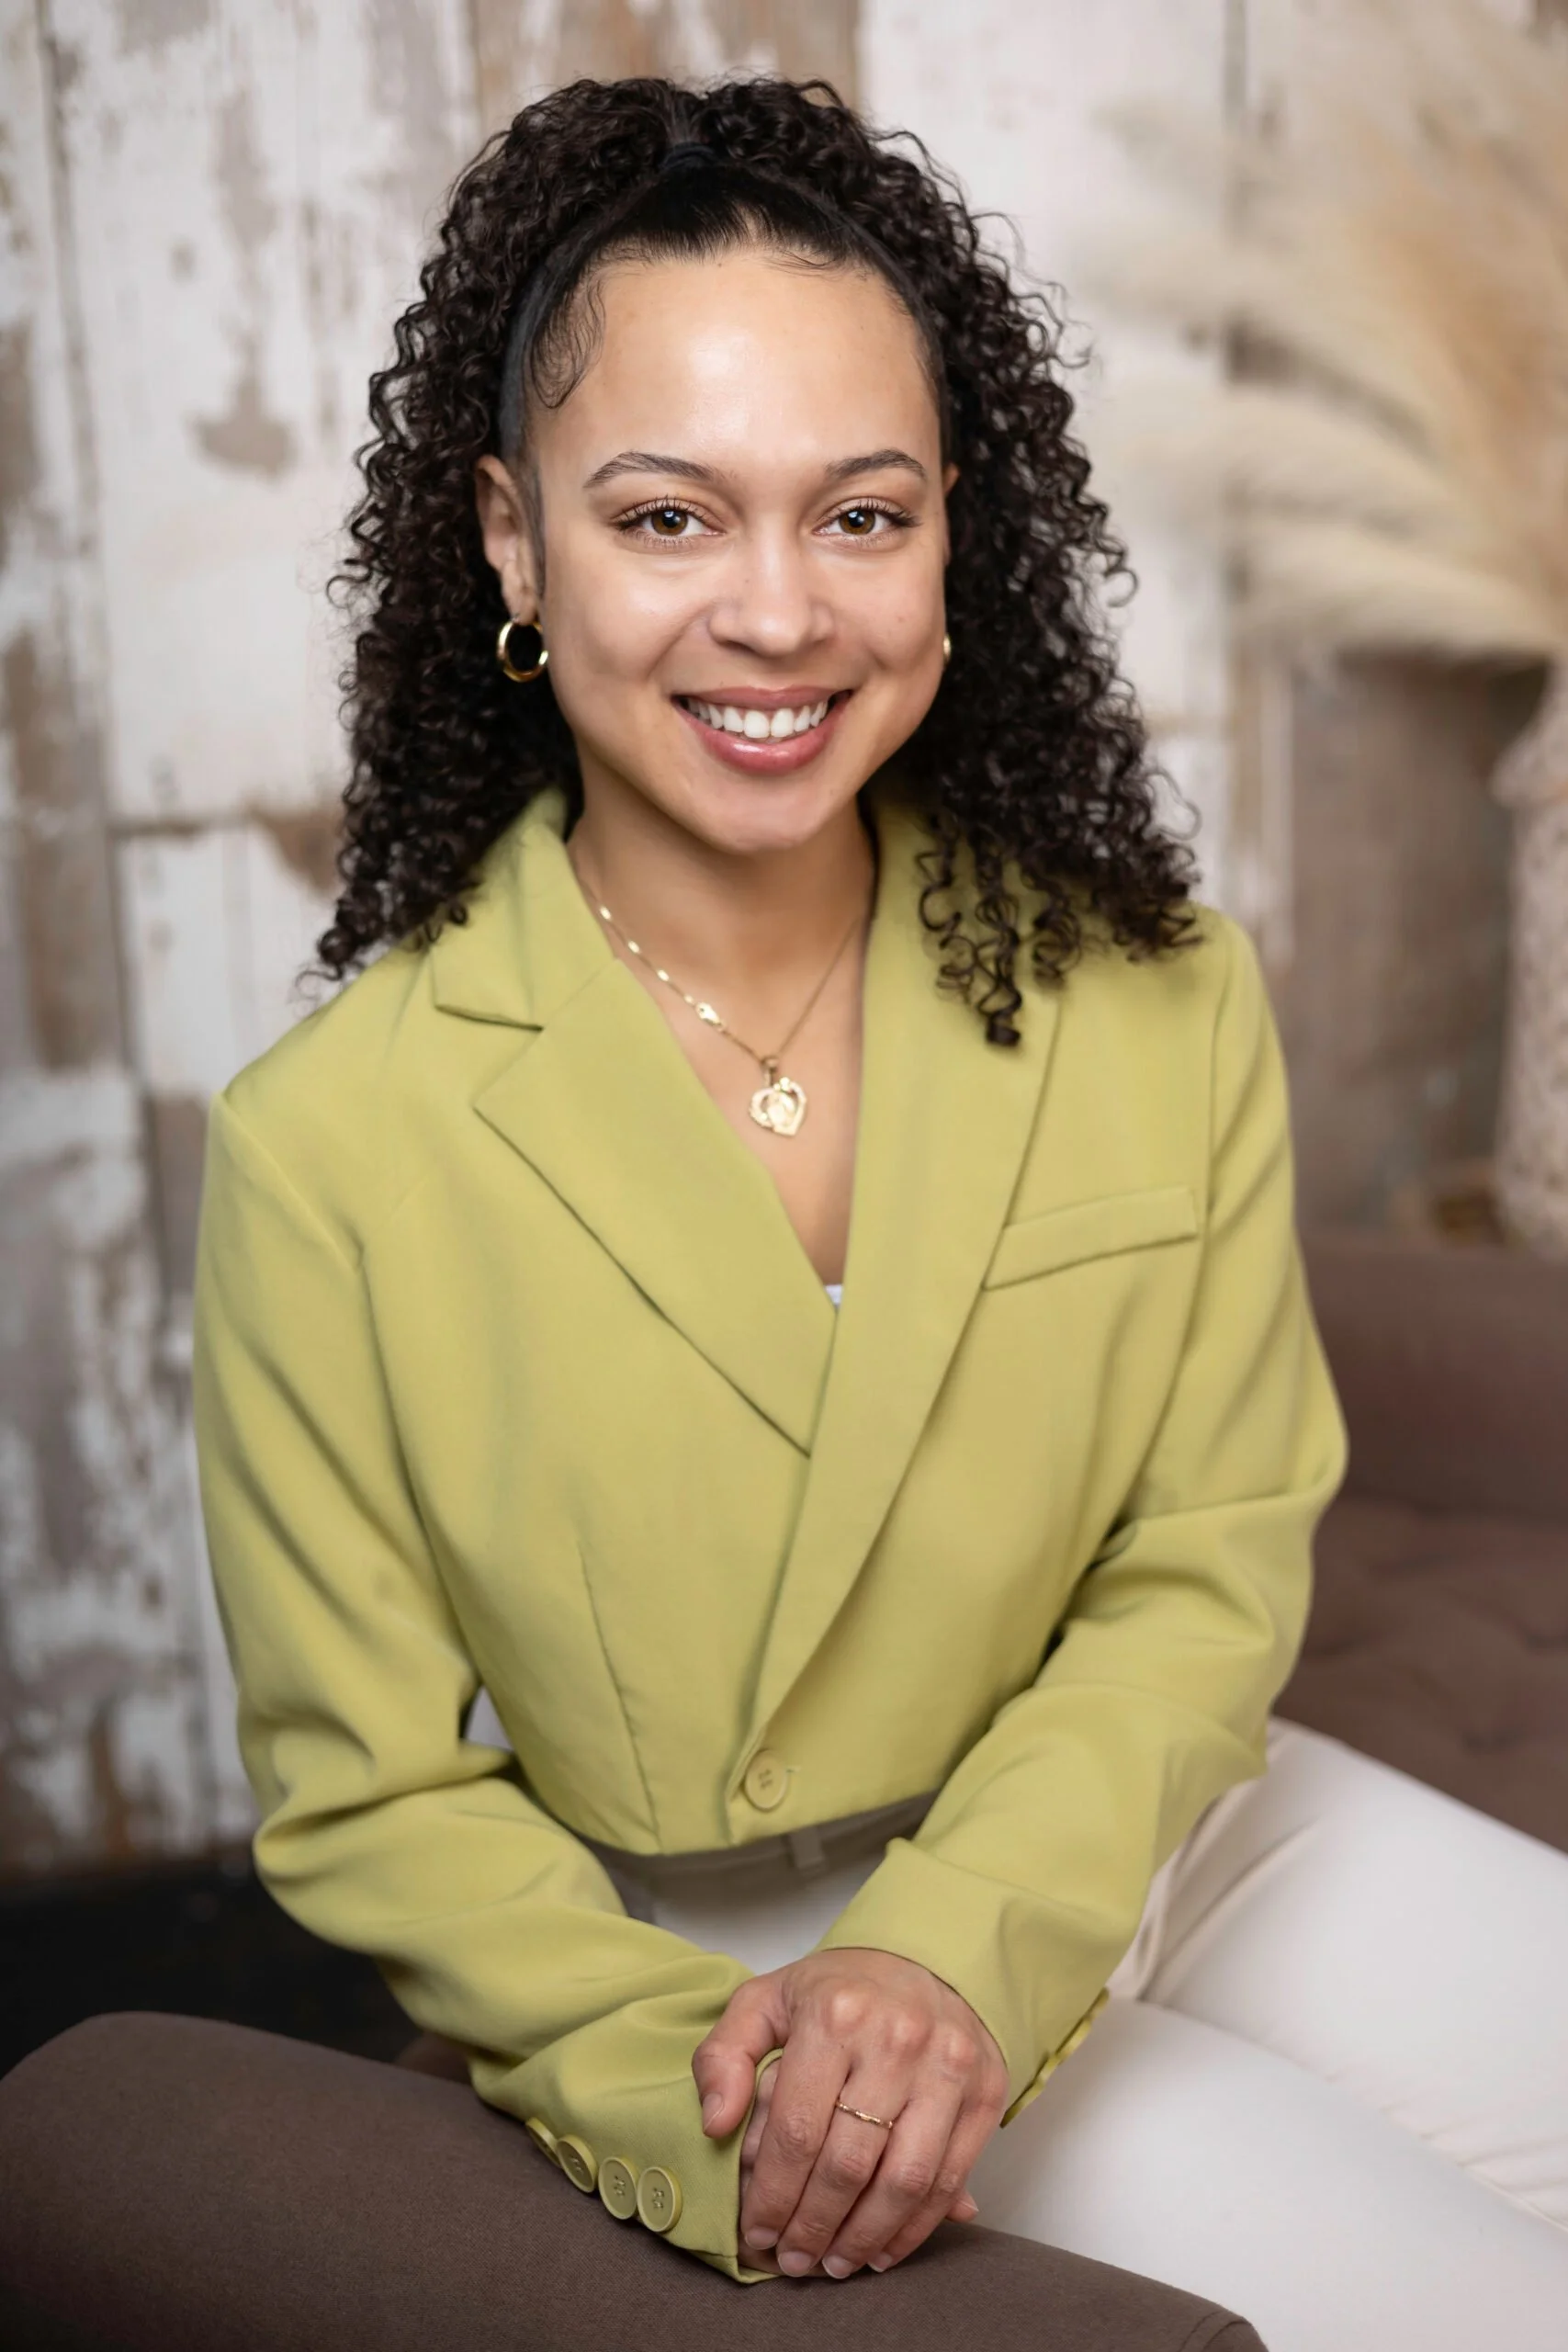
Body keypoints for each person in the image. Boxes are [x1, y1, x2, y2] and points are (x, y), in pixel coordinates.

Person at [189, 74, 1568, 2351]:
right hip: (737, 1969)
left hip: (1146, 1812)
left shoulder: (1155, 986)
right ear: (516, 550)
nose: (775, 612)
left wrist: (972, 1927)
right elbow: (376, 1806)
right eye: (665, 516)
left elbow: (1212, 1549)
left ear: (957, 541)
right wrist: (705, 2089)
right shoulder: (334, 1145)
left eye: (859, 512)